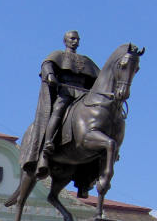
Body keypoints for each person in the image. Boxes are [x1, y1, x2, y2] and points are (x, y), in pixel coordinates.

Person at [18, 30, 100, 179]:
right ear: (65, 41)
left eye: (77, 39)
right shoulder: (58, 55)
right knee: (58, 110)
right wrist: (50, 74)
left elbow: (99, 78)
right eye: (72, 38)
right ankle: (48, 143)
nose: (75, 41)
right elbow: (47, 64)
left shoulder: (86, 61)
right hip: (66, 92)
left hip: (83, 95)